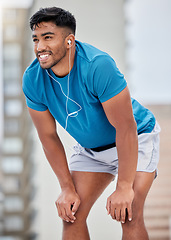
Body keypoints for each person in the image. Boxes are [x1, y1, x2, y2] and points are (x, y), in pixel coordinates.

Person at [22, 7, 160, 240]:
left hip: (136, 137)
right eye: (36, 39)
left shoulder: (98, 65)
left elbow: (126, 128)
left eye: (48, 38)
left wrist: (124, 187)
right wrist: (66, 188)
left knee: (129, 213)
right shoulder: (33, 79)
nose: (40, 47)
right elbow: (48, 137)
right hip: (92, 150)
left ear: (69, 41)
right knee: (71, 215)